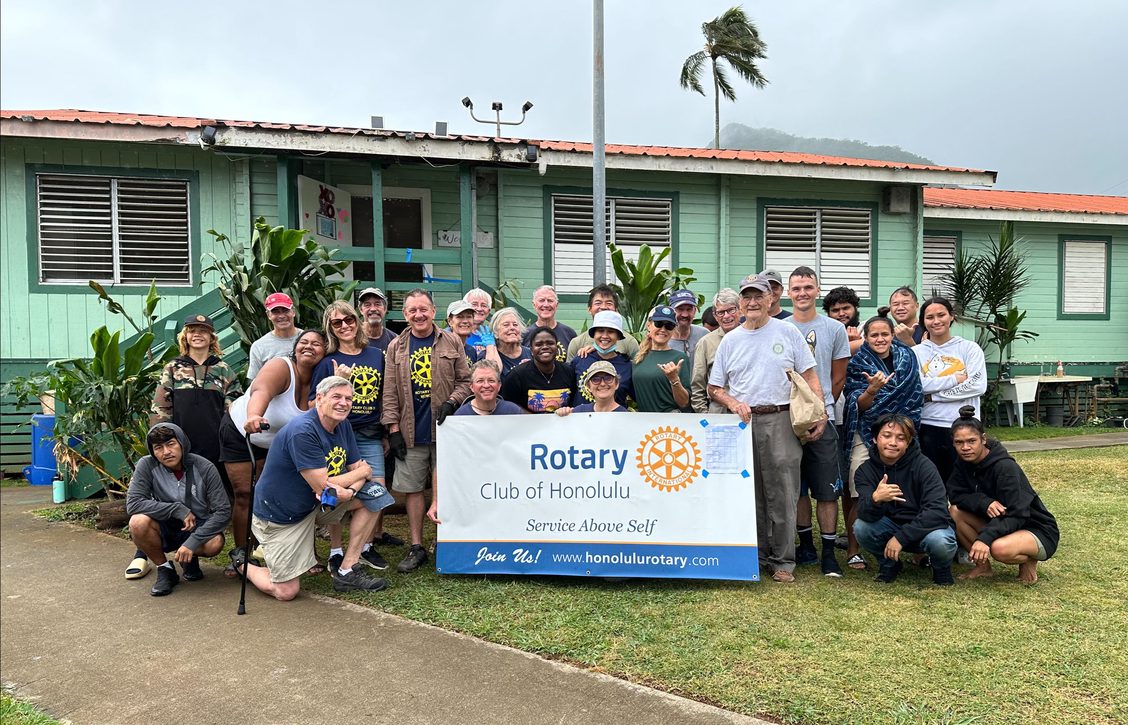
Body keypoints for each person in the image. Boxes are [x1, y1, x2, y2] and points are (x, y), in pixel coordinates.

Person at [708, 274, 826, 583]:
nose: (752, 302)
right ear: (740, 302)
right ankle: (756, 555)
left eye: (758, 295)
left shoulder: (787, 332)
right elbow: (714, 387)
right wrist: (732, 403)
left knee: (783, 491)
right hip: (742, 423)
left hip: (782, 418)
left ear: (771, 299)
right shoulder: (730, 340)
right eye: (746, 297)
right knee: (750, 492)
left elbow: (810, 376)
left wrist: (821, 412)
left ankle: (783, 560)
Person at [237, 377, 392, 599]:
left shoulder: (343, 425)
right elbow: (328, 483)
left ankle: (347, 570)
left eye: (348, 398)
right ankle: (243, 563)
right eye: (336, 397)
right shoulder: (303, 431)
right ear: (319, 399)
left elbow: (351, 470)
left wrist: (353, 490)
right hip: (282, 515)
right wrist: (361, 475)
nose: (344, 403)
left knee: (376, 495)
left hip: (316, 503)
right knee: (286, 591)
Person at [132, 314, 239, 581]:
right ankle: (144, 553)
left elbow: (235, 408)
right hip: (178, 447)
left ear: (212, 337)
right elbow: (160, 409)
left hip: (215, 448)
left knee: (218, 501)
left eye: (204, 330)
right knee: (167, 497)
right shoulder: (172, 368)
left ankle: (212, 552)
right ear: (185, 336)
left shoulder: (223, 369)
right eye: (192, 330)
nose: (198, 334)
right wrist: (163, 443)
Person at [221, 329, 328, 576]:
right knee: (246, 493)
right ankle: (242, 554)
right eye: (304, 342)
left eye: (317, 344)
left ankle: (303, 555)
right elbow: (261, 391)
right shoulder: (281, 366)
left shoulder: (320, 381)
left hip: (280, 445)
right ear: (295, 347)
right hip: (242, 432)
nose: (309, 346)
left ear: (325, 351)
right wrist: (253, 415)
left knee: (298, 493)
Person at [382, 289, 472, 573]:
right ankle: (417, 545)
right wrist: (393, 429)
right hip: (411, 430)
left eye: (424, 309)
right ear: (405, 315)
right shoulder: (396, 347)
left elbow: (465, 381)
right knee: (413, 490)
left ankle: (444, 541)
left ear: (433, 311)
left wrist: (451, 401)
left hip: (445, 429)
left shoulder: (452, 340)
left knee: (448, 488)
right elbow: (389, 392)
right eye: (412, 310)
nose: (418, 315)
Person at [309, 300, 393, 572]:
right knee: (335, 492)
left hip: (368, 434)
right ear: (330, 328)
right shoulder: (326, 363)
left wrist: (385, 431)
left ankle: (365, 546)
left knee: (377, 489)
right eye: (337, 322)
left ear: (357, 322)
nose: (344, 326)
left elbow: (383, 395)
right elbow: (313, 404)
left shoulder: (375, 355)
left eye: (349, 320)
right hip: (336, 436)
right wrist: (335, 380)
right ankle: (336, 550)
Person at [841, 313, 923, 570]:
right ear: (865, 338)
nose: (879, 339)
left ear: (892, 335)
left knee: (912, 487)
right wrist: (873, 389)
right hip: (866, 431)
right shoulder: (858, 362)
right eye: (874, 335)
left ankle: (917, 547)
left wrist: (899, 431)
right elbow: (859, 405)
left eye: (884, 334)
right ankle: (854, 550)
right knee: (858, 488)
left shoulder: (908, 357)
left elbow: (915, 394)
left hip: (902, 432)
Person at [787, 267, 851, 577]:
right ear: (788, 293)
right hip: (788, 421)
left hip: (824, 419)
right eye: (797, 288)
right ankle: (806, 547)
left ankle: (828, 553)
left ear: (817, 290)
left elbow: (838, 377)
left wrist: (820, 411)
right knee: (797, 489)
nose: (802, 293)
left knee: (827, 490)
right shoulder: (779, 328)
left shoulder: (834, 329)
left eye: (808, 287)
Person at [947, 407, 1059, 584]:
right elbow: (955, 495)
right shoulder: (962, 463)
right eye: (959, 442)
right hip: (1002, 525)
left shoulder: (1005, 468)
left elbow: (1018, 514)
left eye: (971, 441)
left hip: (1034, 528)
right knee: (955, 511)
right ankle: (983, 567)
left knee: (999, 549)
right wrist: (984, 502)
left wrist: (985, 538)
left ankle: (1030, 559)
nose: (965, 447)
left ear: (983, 439)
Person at [853, 413, 957, 586]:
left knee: (941, 540)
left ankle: (941, 568)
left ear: (908, 443)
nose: (893, 442)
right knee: (861, 528)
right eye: (886, 436)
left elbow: (937, 511)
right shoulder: (864, 471)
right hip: (891, 526)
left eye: (901, 438)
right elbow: (864, 514)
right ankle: (890, 564)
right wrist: (875, 499)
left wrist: (900, 538)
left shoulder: (924, 466)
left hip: (926, 529)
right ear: (874, 439)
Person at [126, 423, 230, 596]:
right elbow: (134, 503)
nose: (166, 452)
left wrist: (192, 542)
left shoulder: (204, 467)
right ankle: (165, 569)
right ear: (152, 451)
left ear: (182, 443)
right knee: (137, 522)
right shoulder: (147, 465)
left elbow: (223, 511)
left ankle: (189, 557)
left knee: (215, 543)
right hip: (164, 524)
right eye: (158, 447)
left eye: (171, 444)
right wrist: (177, 509)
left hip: (197, 524)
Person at [913, 296, 987, 482]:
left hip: (965, 426)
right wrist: (955, 379)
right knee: (932, 487)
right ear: (922, 321)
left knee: (966, 486)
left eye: (941, 315)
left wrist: (933, 397)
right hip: (928, 427)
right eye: (929, 317)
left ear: (951, 317)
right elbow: (916, 385)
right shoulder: (915, 353)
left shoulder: (969, 348)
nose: (936, 321)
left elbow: (977, 386)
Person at [502, 326, 578, 413]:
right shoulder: (517, 375)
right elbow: (508, 406)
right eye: (539, 344)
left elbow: (574, 403)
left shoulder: (568, 372)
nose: (545, 347)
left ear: (557, 348)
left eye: (550, 343)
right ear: (531, 350)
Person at [569, 310, 634, 409]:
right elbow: (568, 392)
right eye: (600, 330)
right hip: (581, 421)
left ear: (618, 336)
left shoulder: (627, 366)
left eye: (611, 331)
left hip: (615, 421)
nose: (605, 336)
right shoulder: (580, 359)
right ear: (594, 334)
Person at [632, 306, 692, 413]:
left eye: (669, 326)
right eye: (658, 324)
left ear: (673, 330)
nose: (663, 329)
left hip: (668, 424)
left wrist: (674, 380)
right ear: (649, 326)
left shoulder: (679, 358)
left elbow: (684, 402)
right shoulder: (637, 357)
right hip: (643, 422)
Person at [690, 289, 740, 413]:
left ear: (740, 310)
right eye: (721, 312)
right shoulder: (706, 343)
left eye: (731, 310)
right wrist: (706, 415)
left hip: (750, 412)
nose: (727, 316)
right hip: (719, 413)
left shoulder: (752, 337)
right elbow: (698, 385)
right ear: (715, 315)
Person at [566, 284, 641, 360]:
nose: (603, 307)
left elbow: (637, 369)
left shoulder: (629, 342)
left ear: (616, 309)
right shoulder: (577, 343)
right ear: (589, 309)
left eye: (609, 303)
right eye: (598, 303)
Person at [247, 292, 303, 378]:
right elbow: (255, 381)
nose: (281, 316)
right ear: (268, 315)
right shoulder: (259, 346)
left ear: (293, 312)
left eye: (285, 310)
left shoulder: (308, 338)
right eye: (275, 312)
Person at [522, 285, 577, 361]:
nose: (546, 305)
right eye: (541, 300)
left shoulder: (569, 333)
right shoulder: (525, 335)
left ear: (556, 305)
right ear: (534, 305)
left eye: (550, 300)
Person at [454, 360, 525, 416]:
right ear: (471, 386)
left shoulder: (513, 412)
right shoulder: (461, 416)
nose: (486, 385)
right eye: (480, 381)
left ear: (499, 385)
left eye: (491, 380)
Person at [556, 360, 629, 414]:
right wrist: (562, 414)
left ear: (616, 384)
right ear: (588, 386)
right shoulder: (579, 412)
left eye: (608, 378)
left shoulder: (624, 416)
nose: (602, 384)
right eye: (596, 379)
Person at [667, 289, 710, 358]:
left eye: (689, 309)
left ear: (695, 311)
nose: (685, 315)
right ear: (671, 311)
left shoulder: (704, 335)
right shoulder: (663, 338)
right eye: (680, 309)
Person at [491, 307, 531, 378]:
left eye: (515, 325)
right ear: (496, 333)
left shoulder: (532, 354)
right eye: (506, 325)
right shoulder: (489, 354)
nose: (512, 328)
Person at [823, 286, 864, 356]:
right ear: (828, 313)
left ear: (855, 308)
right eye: (835, 310)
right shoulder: (824, 333)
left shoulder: (867, 328)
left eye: (846, 308)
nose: (841, 314)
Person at [358, 287, 397, 351]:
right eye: (367, 305)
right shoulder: (352, 337)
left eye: (377, 304)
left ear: (385, 309)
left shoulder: (394, 340)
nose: (373, 309)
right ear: (361, 310)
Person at [463, 287, 497, 358]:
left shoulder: (493, 334)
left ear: (489, 311)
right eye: (474, 304)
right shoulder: (454, 333)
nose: (479, 309)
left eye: (484, 305)